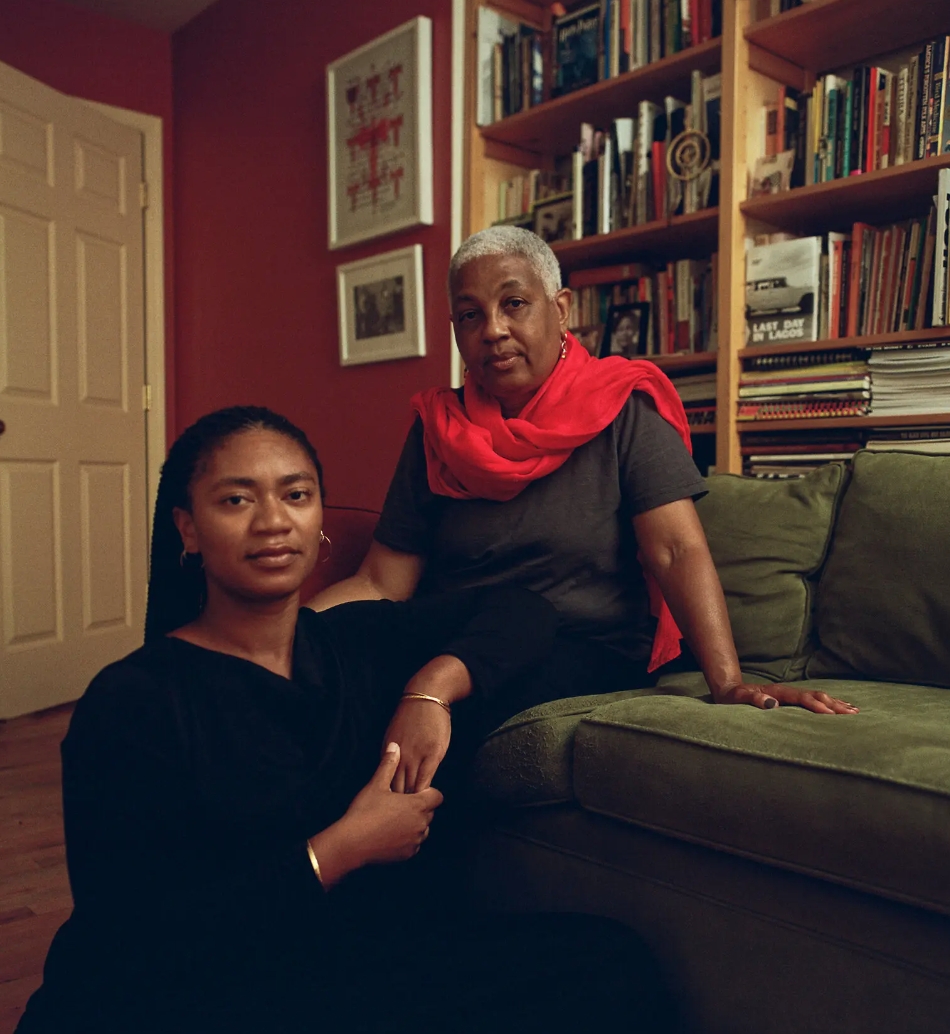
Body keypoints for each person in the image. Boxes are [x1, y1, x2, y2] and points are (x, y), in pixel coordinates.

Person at [18, 406, 673, 1034]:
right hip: (203, 995)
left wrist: (430, 693)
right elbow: (138, 938)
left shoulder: (352, 641)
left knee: (611, 966)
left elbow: (522, 611)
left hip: (350, 966)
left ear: (319, 522)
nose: (273, 521)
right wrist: (343, 848)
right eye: (237, 500)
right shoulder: (132, 701)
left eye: (296, 495)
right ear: (188, 530)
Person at [311, 226, 859, 795]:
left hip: (581, 647)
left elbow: (675, 551)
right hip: (459, 635)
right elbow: (381, 582)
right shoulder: (439, 428)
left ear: (561, 309)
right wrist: (278, 637)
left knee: (444, 727)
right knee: (330, 688)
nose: (493, 329)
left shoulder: (623, 409)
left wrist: (728, 682)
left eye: (513, 303)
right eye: (470, 315)